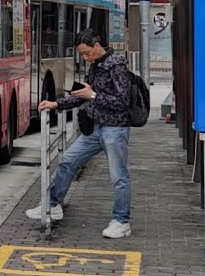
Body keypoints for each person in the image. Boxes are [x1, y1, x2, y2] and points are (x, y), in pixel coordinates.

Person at [26, 29, 135, 239]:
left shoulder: (116, 65)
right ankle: (53, 205)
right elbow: (81, 96)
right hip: (95, 128)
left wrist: (92, 94)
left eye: (87, 53)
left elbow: (123, 102)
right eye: (82, 55)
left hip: (114, 129)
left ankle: (121, 221)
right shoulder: (95, 66)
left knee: (119, 176)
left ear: (96, 44)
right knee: (67, 160)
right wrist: (57, 104)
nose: (85, 58)